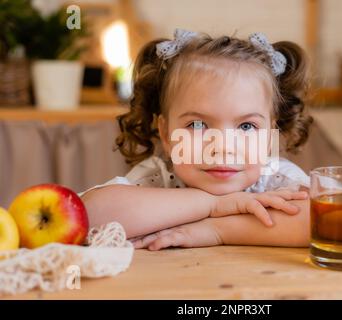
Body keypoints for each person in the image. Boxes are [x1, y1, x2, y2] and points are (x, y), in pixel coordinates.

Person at [79, 29, 313, 251]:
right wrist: (213, 205)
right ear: (167, 133)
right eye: (198, 125)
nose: (223, 147)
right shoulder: (159, 177)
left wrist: (218, 231)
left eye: (246, 126)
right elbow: (88, 215)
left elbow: (320, 222)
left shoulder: (276, 179)